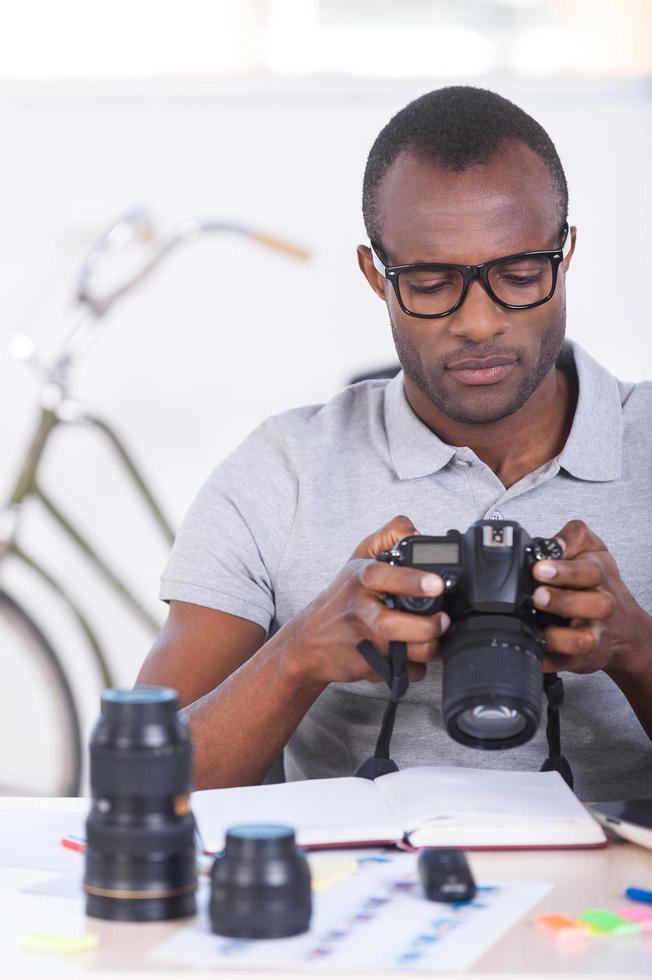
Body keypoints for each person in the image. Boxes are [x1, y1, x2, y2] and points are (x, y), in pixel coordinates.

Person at [137, 86, 652, 801]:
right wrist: (298, 656)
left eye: (520, 275)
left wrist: (635, 649)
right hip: (359, 904)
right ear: (375, 274)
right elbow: (136, 789)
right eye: (433, 283)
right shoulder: (285, 470)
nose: (479, 322)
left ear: (565, 254)